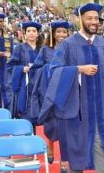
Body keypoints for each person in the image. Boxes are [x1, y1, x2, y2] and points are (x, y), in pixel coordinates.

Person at [38, 3, 104, 173]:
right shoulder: (68, 45)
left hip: (101, 113)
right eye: (89, 18)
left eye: (96, 19)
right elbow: (53, 71)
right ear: (80, 20)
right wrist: (78, 69)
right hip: (77, 114)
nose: (94, 22)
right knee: (76, 158)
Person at [30, 20, 70, 165]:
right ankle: (50, 146)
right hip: (49, 91)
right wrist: (47, 69)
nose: (61, 35)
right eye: (58, 32)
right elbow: (36, 68)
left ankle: (65, 157)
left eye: (64, 32)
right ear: (53, 33)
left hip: (67, 91)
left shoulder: (71, 48)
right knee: (51, 122)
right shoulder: (46, 49)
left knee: (66, 124)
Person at [7, 21, 43, 121]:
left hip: (40, 84)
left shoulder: (42, 49)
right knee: (26, 113)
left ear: (38, 34)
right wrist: (22, 69)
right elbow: (10, 66)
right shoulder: (20, 47)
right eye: (28, 31)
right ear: (25, 34)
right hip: (25, 85)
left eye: (34, 31)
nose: (31, 33)